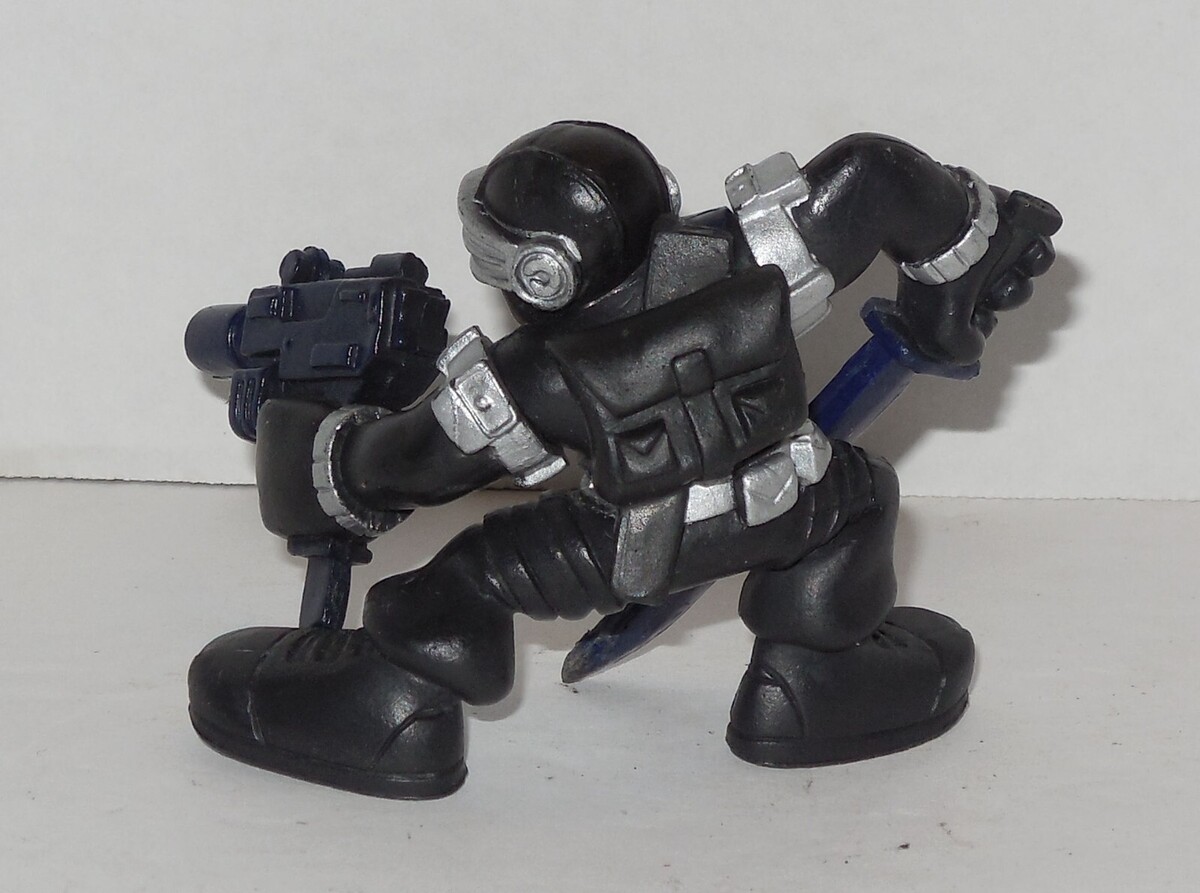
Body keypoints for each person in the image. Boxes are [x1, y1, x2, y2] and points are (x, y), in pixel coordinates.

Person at [188, 121, 1060, 798]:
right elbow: (874, 173)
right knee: (862, 497)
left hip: (616, 549)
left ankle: (395, 710)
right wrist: (960, 264)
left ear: (540, 274)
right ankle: (808, 678)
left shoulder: (527, 379)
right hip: (787, 500)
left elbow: (400, 468)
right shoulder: (756, 259)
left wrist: (317, 451)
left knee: (460, 579)